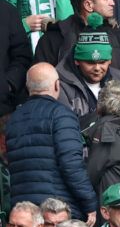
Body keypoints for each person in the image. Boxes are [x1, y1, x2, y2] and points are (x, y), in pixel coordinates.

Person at [7, 63, 97, 218]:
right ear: (57, 85)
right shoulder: (61, 115)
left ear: (29, 87)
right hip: (57, 210)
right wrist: (89, 203)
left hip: (25, 213)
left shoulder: (14, 119)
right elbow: (71, 164)